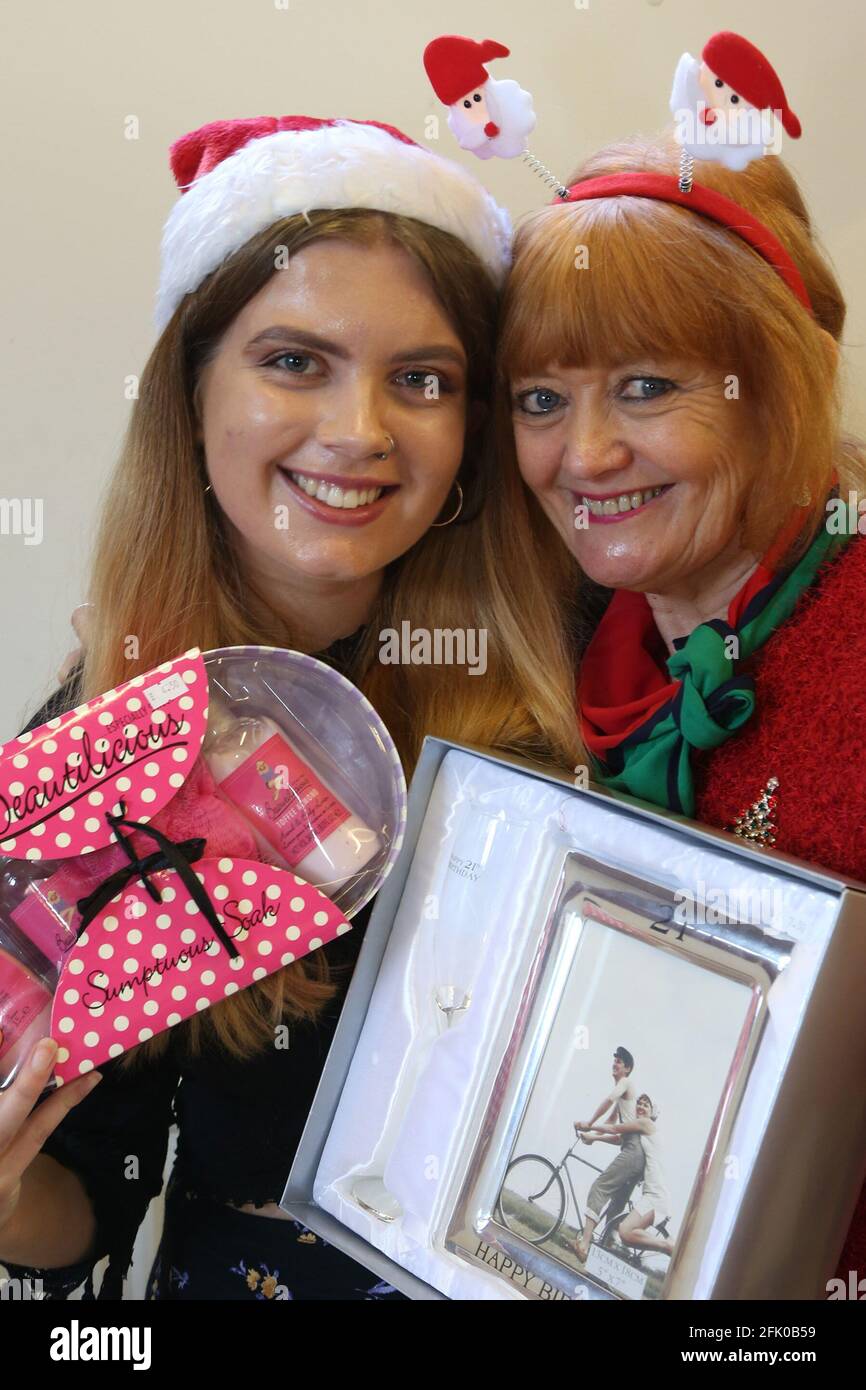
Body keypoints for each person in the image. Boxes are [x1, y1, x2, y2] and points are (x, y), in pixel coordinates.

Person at [0, 114, 580, 1301]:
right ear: (190, 392)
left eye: (420, 379)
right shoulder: (104, 738)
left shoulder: (579, 675)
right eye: (293, 361)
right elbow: (90, 1197)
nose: (359, 432)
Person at [493, 129, 866, 1280]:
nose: (584, 453)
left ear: (777, 385)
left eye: (648, 386)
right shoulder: (555, 640)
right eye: (541, 399)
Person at [572, 1046, 644, 1263]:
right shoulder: (625, 1104)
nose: (615, 1064)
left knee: (599, 1187)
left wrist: (589, 1123)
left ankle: (584, 1245)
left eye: (620, 1062)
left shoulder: (625, 1084)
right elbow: (617, 1134)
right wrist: (593, 1136)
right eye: (614, 1060)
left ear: (628, 1068)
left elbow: (608, 1100)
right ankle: (606, 1258)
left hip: (633, 1153)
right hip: (635, 1155)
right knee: (614, 1211)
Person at [594, 1093, 674, 1258]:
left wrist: (589, 1126)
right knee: (622, 1230)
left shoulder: (646, 1124)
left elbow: (615, 1128)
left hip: (655, 1197)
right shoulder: (643, 1132)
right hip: (653, 1194)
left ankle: (669, 1246)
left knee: (626, 1231)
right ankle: (608, 1250)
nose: (640, 1106)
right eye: (639, 1103)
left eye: (646, 1105)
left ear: (653, 1113)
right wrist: (593, 1137)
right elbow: (620, 1138)